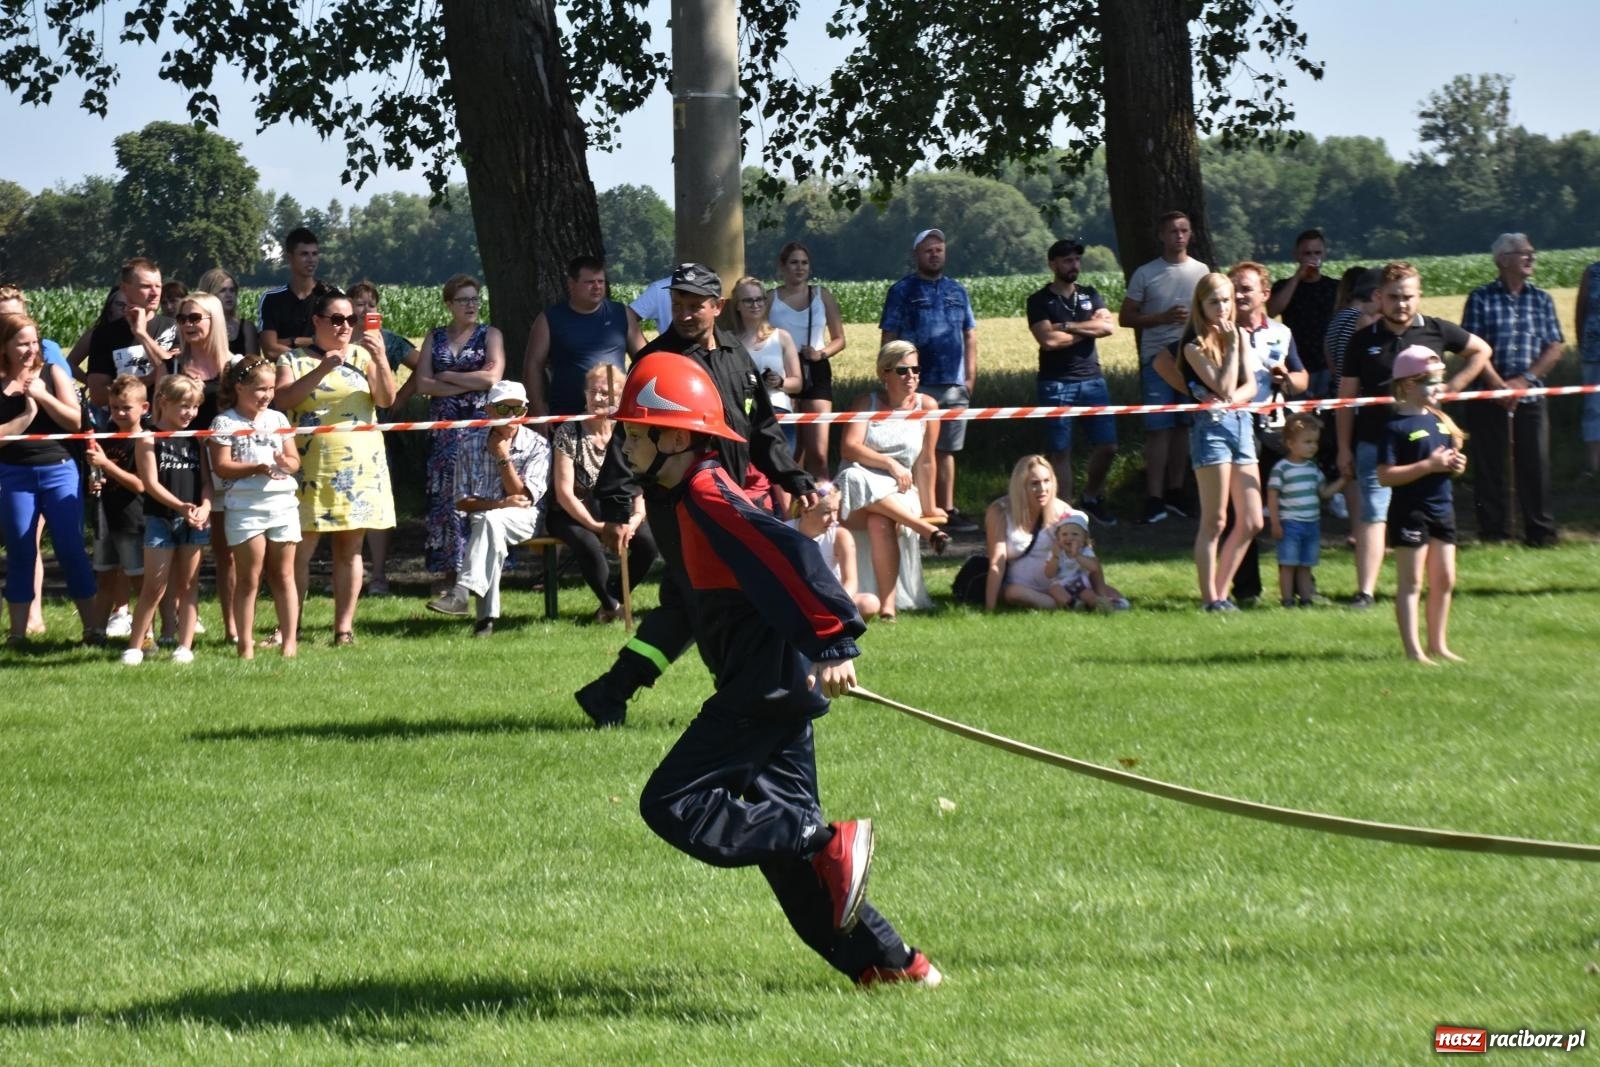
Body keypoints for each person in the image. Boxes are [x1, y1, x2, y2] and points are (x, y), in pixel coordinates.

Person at [614, 350, 940, 989]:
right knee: (793, 869)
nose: (625, 443)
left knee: (671, 802)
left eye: (634, 431)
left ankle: (820, 839)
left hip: (762, 686)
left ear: (674, 435)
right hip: (769, 684)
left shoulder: (706, 491)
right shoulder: (678, 491)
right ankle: (893, 965)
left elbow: (788, 553)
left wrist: (833, 641)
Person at [575, 262, 816, 729]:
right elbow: (631, 437)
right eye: (678, 305)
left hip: (728, 499)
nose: (684, 314)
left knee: (688, 604)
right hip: (677, 505)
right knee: (712, 600)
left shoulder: (736, 358)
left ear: (716, 308)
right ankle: (738, 697)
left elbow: (761, 431)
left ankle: (611, 691)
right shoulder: (657, 362)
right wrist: (620, 504)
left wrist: (794, 479)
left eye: (694, 306)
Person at [1335, 262, 1492, 609]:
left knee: (1427, 514)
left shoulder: (1437, 330)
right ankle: (1366, 592)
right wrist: (1343, 447)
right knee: (1372, 513)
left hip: (1425, 442)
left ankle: (1423, 587)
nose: (1401, 304)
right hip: (1373, 441)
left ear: (1419, 296)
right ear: (1379, 297)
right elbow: (1346, 398)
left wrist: (1452, 387)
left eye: (1407, 297)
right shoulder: (1362, 340)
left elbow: (1482, 350)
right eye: (1393, 297)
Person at [274, 288, 397, 646]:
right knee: (299, 549)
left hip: (360, 468)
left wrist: (382, 358)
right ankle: (290, 628)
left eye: (351, 320)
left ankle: (343, 629)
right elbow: (283, 401)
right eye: (337, 319)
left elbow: (386, 399)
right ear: (317, 321)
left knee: (350, 549)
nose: (345, 326)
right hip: (310, 468)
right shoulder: (293, 360)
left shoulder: (364, 354)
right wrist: (323, 368)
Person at [399, 274, 504, 591]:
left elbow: (492, 379)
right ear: (449, 304)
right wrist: (466, 378)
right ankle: (449, 572)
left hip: (478, 428)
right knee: (447, 500)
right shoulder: (435, 337)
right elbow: (422, 383)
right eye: (463, 300)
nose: (470, 305)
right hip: (444, 433)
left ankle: (478, 572)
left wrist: (446, 376)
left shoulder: (490, 335)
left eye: (475, 299)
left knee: (479, 495)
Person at [1460, 233, 1563, 547]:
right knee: (1491, 466)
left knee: (1535, 465)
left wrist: (1525, 381)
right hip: (1488, 394)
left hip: (1530, 395)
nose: (1531, 258)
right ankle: (1494, 532)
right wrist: (1498, 385)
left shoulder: (1541, 298)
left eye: (1532, 252)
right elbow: (1470, 346)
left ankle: (1540, 532)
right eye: (1523, 253)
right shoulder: (1480, 297)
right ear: (1503, 260)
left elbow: (1554, 346)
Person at [0, 313, 97, 645]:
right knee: (20, 550)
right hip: (14, 474)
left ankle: (92, 630)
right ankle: (17, 635)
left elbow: (76, 421)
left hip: (59, 469)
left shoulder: (53, 373)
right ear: (5, 346)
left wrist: (42, 397)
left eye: (33, 341)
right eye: (21, 343)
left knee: (71, 548)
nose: (30, 349)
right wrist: (26, 416)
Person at [426, 380, 550, 637]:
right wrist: (500, 504)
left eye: (517, 409)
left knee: (487, 523)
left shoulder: (538, 445)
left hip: (527, 519)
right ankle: (484, 623)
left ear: (525, 412)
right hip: (486, 519)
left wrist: (502, 456)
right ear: (489, 410)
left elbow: (524, 498)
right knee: (489, 525)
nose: (511, 416)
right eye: (504, 409)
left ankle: (461, 593)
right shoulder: (469, 444)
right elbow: (462, 501)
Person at [835, 341, 949, 620]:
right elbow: (849, 448)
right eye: (902, 370)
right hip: (859, 487)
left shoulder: (927, 406)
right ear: (884, 373)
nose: (911, 376)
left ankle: (887, 607)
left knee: (880, 521)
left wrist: (930, 505)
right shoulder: (866, 403)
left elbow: (925, 460)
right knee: (852, 474)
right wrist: (889, 463)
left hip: (901, 490)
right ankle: (926, 531)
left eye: (915, 369)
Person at [879, 228, 978, 527]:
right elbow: (889, 336)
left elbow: (969, 334)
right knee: (915, 448)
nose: (934, 254)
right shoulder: (902, 291)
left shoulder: (958, 291)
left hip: (953, 384)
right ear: (916, 255)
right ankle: (912, 509)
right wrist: (892, 376)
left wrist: (970, 378)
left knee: (947, 450)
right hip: (915, 384)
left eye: (939, 249)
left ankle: (946, 510)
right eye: (928, 250)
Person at [1376, 347, 1467, 665]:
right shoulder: (1394, 429)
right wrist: (1428, 466)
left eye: (1439, 380)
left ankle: (1438, 645)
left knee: (1445, 579)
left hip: (1443, 508)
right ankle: (1413, 651)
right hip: (1410, 512)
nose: (1437, 387)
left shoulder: (1441, 421)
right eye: (1430, 381)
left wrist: (1455, 465)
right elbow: (1385, 476)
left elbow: (1445, 465)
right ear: (1407, 385)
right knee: (1412, 582)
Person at [1118, 211, 1210, 524]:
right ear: (1161, 235)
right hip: (1156, 359)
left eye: (1184, 230)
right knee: (1159, 429)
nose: (1179, 236)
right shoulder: (1146, 273)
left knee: (1184, 426)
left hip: (1192, 360)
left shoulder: (1202, 271)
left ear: (1191, 234)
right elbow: (1126, 317)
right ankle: (1153, 497)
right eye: (1172, 231)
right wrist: (1161, 318)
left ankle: (1177, 491)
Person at [547, 363, 656, 623]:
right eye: (593, 392)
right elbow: (564, 492)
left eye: (605, 393)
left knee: (648, 545)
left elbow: (638, 483)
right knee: (588, 545)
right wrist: (597, 526)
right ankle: (612, 606)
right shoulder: (568, 432)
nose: (597, 398)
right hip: (573, 512)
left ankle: (614, 597)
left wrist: (636, 518)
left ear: (619, 398)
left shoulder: (629, 433)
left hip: (620, 510)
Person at [209, 355, 300, 660]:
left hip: (283, 503)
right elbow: (221, 467)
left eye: (271, 389)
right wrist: (256, 468)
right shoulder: (224, 422)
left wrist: (287, 463)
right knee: (249, 577)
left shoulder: (279, 420)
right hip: (245, 507)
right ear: (239, 387)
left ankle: (289, 644)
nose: (267, 395)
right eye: (260, 389)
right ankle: (245, 645)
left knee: (284, 575)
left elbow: (294, 461)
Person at [1227, 261, 1307, 606]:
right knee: (1243, 515)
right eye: (1235, 289)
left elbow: (1303, 380)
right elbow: (1169, 362)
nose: (1240, 295)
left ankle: (1301, 587)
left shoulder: (1281, 333)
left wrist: (1286, 377)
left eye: (1246, 288)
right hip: (1237, 428)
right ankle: (1246, 590)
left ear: (1265, 294)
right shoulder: (1220, 330)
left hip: (1276, 428)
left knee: (1293, 508)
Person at [1181, 272, 1262, 612]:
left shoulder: (1240, 334)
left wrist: (1231, 398)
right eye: (1214, 301)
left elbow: (1250, 388)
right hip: (1210, 431)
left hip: (1241, 426)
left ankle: (1220, 590)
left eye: (1227, 300)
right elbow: (1224, 386)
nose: (1223, 308)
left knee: (1253, 520)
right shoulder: (1192, 346)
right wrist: (1229, 349)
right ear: (1200, 305)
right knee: (1215, 520)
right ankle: (1211, 599)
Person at [120, 375, 210, 665]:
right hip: (160, 520)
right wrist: (179, 507)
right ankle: (135, 646)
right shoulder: (148, 438)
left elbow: (207, 483)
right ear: (163, 402)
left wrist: (205, 507)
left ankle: (184, 646)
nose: (190, 413)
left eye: (194, 407)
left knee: (188, 584)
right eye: (184, 406)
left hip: (194, 521)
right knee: (154, 586)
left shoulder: (196, 440)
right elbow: (150, 483)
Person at [1027, 237, 1118, 522]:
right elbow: (1048, 341)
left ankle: (1091, 497)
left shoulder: (1091, 294)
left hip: (1093, 380)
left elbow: (1107, 327)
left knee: (1108, 445)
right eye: (1067, 260)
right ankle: (1065, 514)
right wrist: (1090, 328)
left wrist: (1068, 326)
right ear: (1053, 264)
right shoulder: (1039, 301)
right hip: (1056, 383)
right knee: (1060, 451)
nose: (1073, 264)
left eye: (1077, 259)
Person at [169, 291, 236, 643]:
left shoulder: (237, 367)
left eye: (195, 318)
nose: (188, 325)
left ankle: (232, 629)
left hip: (226, 467)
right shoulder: (173, 367)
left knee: (228, 555)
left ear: (214, 321)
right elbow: (158, 420)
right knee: (183, 552)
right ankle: (181, 623)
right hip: (185, 467)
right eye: (182, 319)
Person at [348, 280, 420, 596]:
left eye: (371, 304)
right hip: (341, 430)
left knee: (376, 501)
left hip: (378, 430)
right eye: (359, 303)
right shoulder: (337, 340)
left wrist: (400, 398)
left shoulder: (388, 341)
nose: (366, 310)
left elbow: (422, 365)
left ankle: (378, 575)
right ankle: (349, 573)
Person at [523, 255, 643, 418]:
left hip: (614, 414)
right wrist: (538, 411)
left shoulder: (621, 314)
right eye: (589, 282)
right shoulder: (550, 319)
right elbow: (533, 366)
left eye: (600, 282)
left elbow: (644, 358)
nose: (597, 287)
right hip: (567, 416)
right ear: (571, 284)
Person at [768, 242, 848, 481]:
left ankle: (825, 503)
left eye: (804, 263)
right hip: (783, 372)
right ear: (782, 267)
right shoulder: (770, 298)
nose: (799, 268)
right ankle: (794, 506)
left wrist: (821, 353)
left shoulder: (821, 295)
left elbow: (839, 339)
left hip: (816, 370)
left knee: (819, 452)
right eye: (793, 262)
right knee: (792, 449)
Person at [84, 375, 147, 645]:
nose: (119, 413)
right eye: (114, 407)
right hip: (106, 517)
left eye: (126, 408)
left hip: (133, 520)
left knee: (139, 580)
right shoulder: (106, 436)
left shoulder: (145, 440)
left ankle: (146, 633)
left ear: (144, 408)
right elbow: (101, 474)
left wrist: (107, 466)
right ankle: (96, 633)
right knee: (105, 575)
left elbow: (141, 484)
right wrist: (95, 480)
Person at [1267, 412, 1346, 608]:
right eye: (1307, 441)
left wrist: (1343, 481)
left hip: (1311, 524)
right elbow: (1272, 496)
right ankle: (1286, 600)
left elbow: (1324, 493)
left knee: (1305, 565)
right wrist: (1276, 523)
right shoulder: (1282, 468)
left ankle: (1305, 599)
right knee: (1288, 564)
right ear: (1290, 443)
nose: (1313, 446)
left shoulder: (1313, 469)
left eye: (1315, 442)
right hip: (1290, 524)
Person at [981, 455, 1081, 611]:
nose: (1042, 489)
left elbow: (1083, 554)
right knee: (1013, 592)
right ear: (1021, 486)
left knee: (1107, 596)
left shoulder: (1063, 511)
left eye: (1047, 481)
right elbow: (996, 562)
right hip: (1019, 588)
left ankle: (1085, 601)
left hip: (1057, 584)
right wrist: (989, 608)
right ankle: (1058, 604)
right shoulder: (1000, 511)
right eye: (1035, 483)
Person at [86, 257, 177, 408]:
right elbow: (98, 396)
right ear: (125, 289)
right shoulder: (105, 334)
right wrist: (149, 379)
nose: (155, 293)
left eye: (158, 286)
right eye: (146, 286)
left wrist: (141, 334)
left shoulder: (175, 328)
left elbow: (176, 376)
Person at [729, 274, 801, 466]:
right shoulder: (731, 342)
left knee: (782, 472)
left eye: (759, 299)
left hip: (779, 412)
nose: (755, 304)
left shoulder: (782, 337)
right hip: (745, 414)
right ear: (737, 305)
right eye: (748, 300)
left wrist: (780, 382)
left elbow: (797, 383)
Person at [790, 481, 879, 622]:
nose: (833, 519)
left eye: (835, 511)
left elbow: (850, 581)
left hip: (833, 598)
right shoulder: (785, 532)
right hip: (798, 599)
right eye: (826, 512)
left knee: (869, 602)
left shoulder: (840, 535)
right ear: (806, 510)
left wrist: (835, 603)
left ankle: (843, 624)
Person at [1267, 228, 1340, 397]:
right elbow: (1272, 310)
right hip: (1297, 365)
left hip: (1327, 364)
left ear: (1324, 254)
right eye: (1307, 253)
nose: (1313, 258)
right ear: (1297, 255)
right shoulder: (1284, 286)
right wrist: (1297, 277)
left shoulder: (1335, 287)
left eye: (1317, 253)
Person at [258, 227, 328, 360]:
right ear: (289, 258)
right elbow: (270, 350)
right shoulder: (272, 299)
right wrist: (313, 342)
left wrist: (292, 341)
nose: (311, 259)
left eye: (315, 254)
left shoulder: (330, 296)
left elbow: (337, 344)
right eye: (304, 254)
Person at [1044, 513, 1128, 612]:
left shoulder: (1085, 551)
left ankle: (1098, 605)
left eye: (1075, 534)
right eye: (1064, 534)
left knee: (1087, 594)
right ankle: (1075, 605)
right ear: (1058, 538)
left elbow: (1094, 568)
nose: (1069, 537)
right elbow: (1049, 574)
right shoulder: (1056, 553)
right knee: (1053, 590)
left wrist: (1076, 555)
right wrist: (1055, 557)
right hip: (1062, 585)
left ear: (1084, 538)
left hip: (1081, 584)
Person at [195, 268, 260, 356]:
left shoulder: (246, 328)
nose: (229, 295)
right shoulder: (197, 327)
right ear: (209, 294)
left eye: (232, 290)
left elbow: (253, 363)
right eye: (222, 290)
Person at [67, 286, 126, 382]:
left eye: (129, 305)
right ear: (110, 306)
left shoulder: (141, 333)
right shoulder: (94, 335)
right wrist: (90, 383)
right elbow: (69, 363)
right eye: (120, 304)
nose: (124, 309)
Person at [1579, 259, 1600, 477]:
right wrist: (1582, 343)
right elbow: (1581, 309)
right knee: (1594, 409)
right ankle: (1594, 466)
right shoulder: (1592, 272)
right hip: (1594, 352)